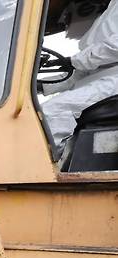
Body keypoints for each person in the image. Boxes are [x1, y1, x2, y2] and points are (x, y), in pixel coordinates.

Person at [41, 0, 118, 160]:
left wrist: (73, 61)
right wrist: (43, 85)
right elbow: (82, 71)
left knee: (51, 113)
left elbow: (113, 48)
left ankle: (44, 168)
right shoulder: (111, 9)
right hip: (104, 77)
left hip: (114, 80)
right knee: (39, 113)